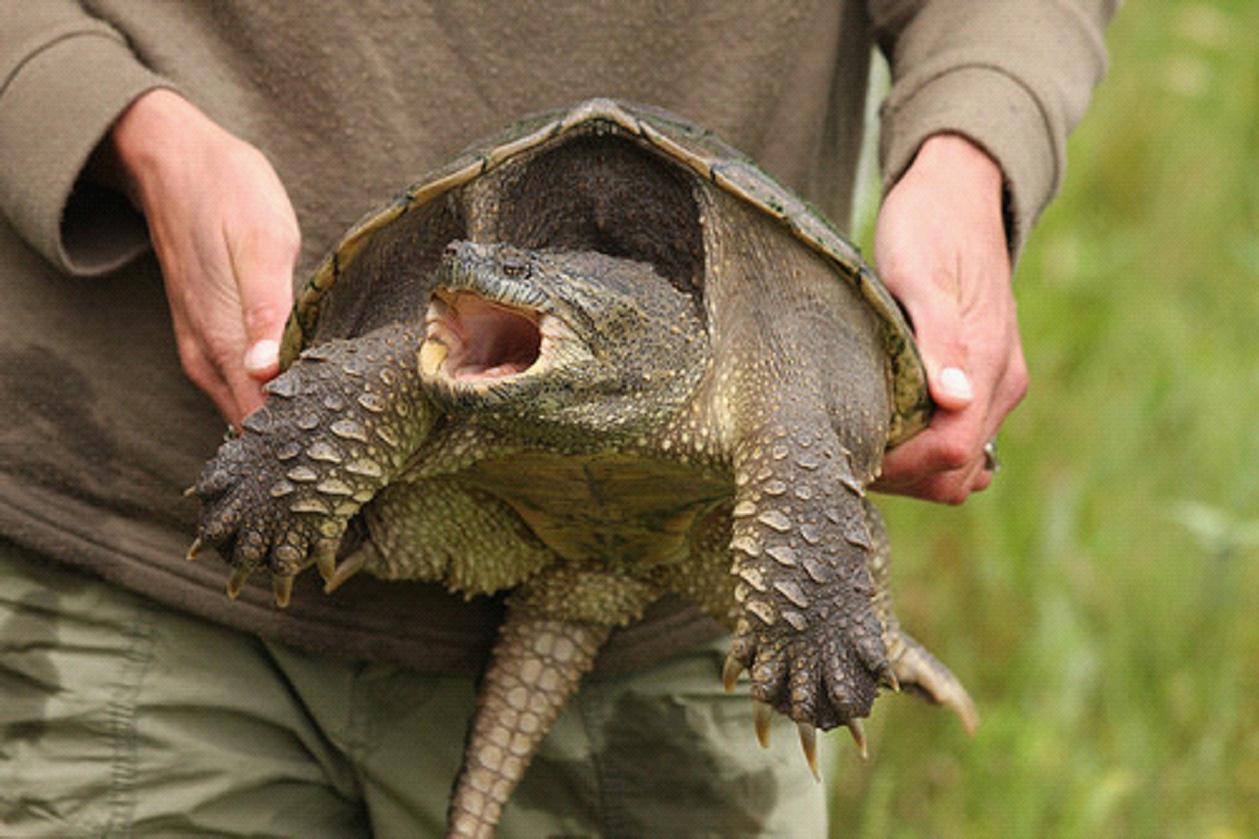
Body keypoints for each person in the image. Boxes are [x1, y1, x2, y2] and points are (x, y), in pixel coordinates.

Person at [0, 2, 1116, 835]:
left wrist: (975, 138)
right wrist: (107, 120)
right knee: (410, 357)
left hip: (666, 657)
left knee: (786, 468)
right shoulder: (445, 328)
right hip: (122, 565)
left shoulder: (763, 381)